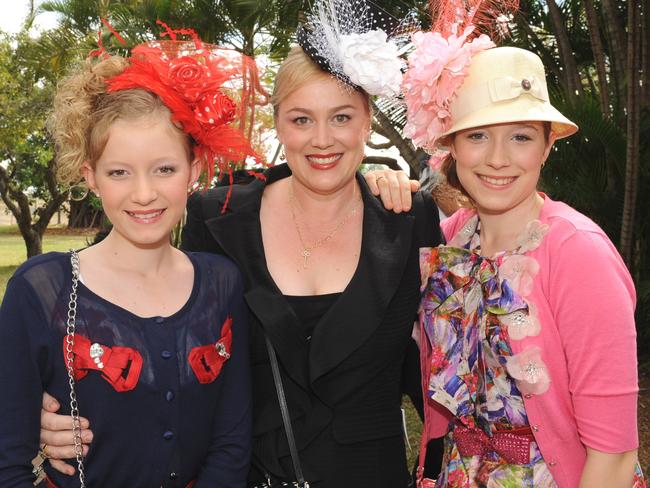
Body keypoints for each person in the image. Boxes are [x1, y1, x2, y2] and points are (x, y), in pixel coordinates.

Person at [0, 31, 256, 487]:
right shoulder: (42, 290)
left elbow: (231, 442)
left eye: (164, 169)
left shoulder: (221, 283)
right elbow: (7, 460)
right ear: (91, 177)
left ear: (194, 170)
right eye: (119, 172)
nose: (143, 194)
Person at [405, 42, 645, 487]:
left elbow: (613, 454)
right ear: (453, 146)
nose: (498, 158)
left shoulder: (577, 252)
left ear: (546, 146)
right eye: (477, 136)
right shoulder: (455, 236)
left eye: (521, 136)